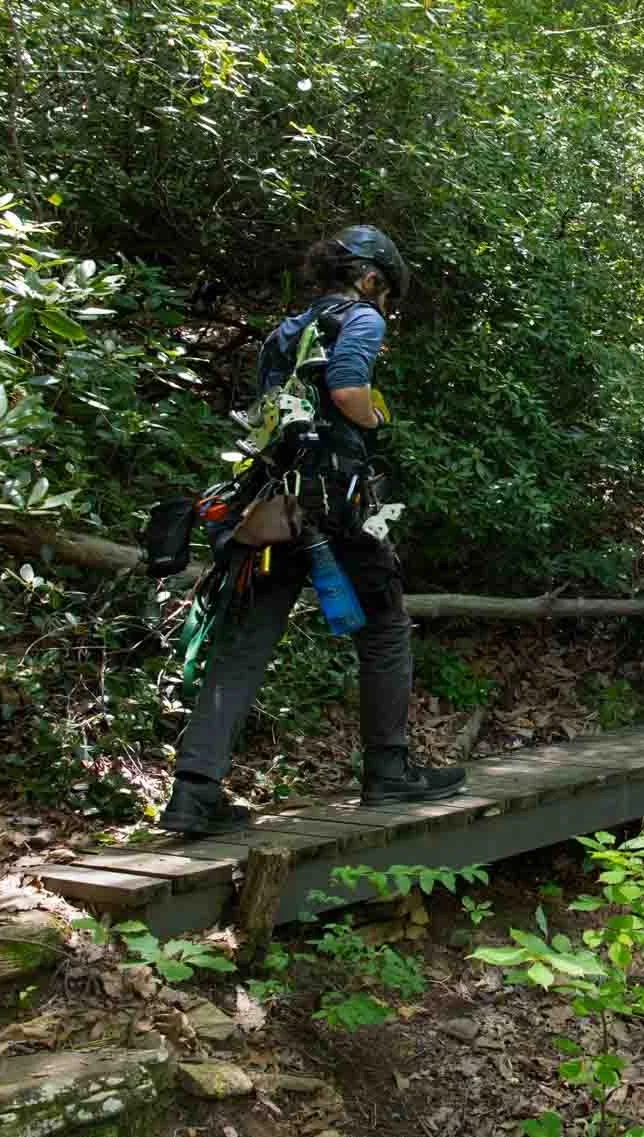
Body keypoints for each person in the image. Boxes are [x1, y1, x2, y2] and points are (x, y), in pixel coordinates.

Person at [158, 226, 467, 836]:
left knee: (246, 641)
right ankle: (387, 770)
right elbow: (348, 386)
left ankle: (194, 795)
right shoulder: (361, 320)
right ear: (371, 278)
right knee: (383, 625)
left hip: (275, 505)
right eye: (387, 293)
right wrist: (373, 414)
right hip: (336, 503)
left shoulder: (286, 330)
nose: (386, 307)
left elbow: (265, 414)